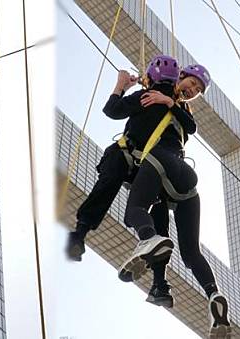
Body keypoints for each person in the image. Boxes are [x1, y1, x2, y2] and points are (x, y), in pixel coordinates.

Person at [115, 61, 231, 337]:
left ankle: (147, 242)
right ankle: (208, 294)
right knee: (187, 251)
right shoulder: (163, 94)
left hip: (160, 161)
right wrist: (140, 81)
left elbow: (190, 126)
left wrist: (164, 98)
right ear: (179, 75)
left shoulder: (176, 106)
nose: (192, 90)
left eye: (196, 90)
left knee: (135, 211)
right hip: (184, 182)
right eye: (191, 84)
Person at [66, 55, 179, 307]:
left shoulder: (145, 96)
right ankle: (160, 284)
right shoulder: (178, 107)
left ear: (150, 78)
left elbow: (111, 111)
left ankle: (79, 235)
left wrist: (121, 86)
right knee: (159, 213)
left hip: (125, 155)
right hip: (152, 166)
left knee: (105, 187)